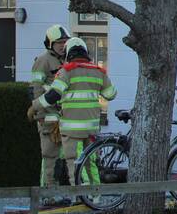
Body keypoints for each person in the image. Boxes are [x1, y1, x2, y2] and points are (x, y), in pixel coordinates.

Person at [35, 37, 117, 185]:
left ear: (68, 53)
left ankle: (80, 193)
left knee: (73, 162)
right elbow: (111, 94)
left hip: (71, 129)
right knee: (91, 161)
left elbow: (52, 96)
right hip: (91, 128)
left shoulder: (66, 72)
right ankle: (95, 194)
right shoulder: (99, 72)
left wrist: (34, 106)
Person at [27, 25, 68, 192]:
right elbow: (35, 89)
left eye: (65, 42)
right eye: (59, 42)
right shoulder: (43, 61)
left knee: (63, 158)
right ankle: (48, 193)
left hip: (64, 116)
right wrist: (40, 115)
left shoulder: (67, 60)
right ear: (50, 44)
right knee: (50, 156)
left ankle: (59, 191)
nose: (62, 45)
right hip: (48, 117)